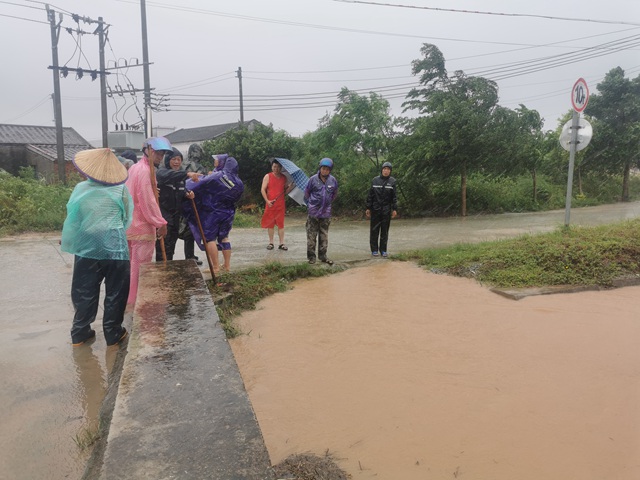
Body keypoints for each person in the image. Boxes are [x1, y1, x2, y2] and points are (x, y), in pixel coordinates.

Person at [61, 148, 132, 347]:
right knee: (116, 291)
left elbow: (73, 219)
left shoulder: (80, 189)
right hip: (114, 247)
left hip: (87, 247)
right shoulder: (121, 190)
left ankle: (80, 333)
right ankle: (113, 333)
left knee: (85, 290)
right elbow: (126, 218)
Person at [125, 137, 172, 306]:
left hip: (131, 225)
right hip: (142, 227)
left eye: (162, 153)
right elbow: (146, 200)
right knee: (140, 269)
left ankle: (129, 300)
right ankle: (136, 302)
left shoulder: (135, 168)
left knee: (132, 267)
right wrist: (160, 222)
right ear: (148, 151)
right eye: (157, 152)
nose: (160, 156)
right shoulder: (145, 171)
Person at [183, 154, 244, 274]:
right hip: (228, 212)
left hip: (213, 212)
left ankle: (215, 266)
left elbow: (200, 183)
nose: (215, 161)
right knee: (224, 237)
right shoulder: (238, 182)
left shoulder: (218, 175)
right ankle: (226, 266)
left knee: (209, 238)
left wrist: (184, 185)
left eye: (217, 159)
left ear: (223, 162)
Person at [155, 147, 202, 261]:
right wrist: (188, 174)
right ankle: (162, 274)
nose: (176, 162)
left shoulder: (180, 178)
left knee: (171, 248)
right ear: (167, 160)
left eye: (179, 159)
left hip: (176, 218)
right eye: (173, 159)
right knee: (163, 250)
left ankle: (169, 272)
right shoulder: (162, 172)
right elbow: (170, 176)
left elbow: (181, 191)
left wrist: (187, 194)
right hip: (164, 218)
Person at [304, 157, 338, 265]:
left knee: (324, 236)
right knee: (311, 236)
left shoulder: (333, 180)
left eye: (327, 169)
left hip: (325, 213)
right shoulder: (312, 179)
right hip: (313, 213)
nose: (325, 171)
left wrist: (327, 203)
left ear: (330, 170)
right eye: (323, 168)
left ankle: (323, 256)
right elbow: (307, 193)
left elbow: (334, 194)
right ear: (320, 168)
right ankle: (311, 257)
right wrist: (311, 204)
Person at [180, 144, 208, 263]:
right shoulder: (199, 167)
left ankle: (189, 255)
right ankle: (189, 256)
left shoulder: (182, 165)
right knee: (189, 230)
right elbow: (202, 185)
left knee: (180, 226)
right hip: (192, 200)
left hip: (180, 199)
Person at [366, 161, 398, 258]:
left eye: (388, 169)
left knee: (385, 231)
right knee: (374, 230)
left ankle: (383, 250)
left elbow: (394, 197)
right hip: (375, 209)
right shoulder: (375, 180)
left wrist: (394, 209)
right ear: (382, 170)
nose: (386, 171)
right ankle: (374, 250)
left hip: (386, 210)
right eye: (384, 169)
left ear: (390, 171)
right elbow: (370, 195)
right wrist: (368, 207)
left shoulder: (392, 182)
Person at [261, 158, 294, 250]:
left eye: (278, 167)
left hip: (280, 204)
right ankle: (271, 243)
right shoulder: (267, 176)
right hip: (270, 204)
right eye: (274, 167)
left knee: (281, 224)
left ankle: (281, 243)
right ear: (272, 167)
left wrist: (290, 187)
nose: (276, 169)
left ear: (281, 168)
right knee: (270, 224)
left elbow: (285, 192)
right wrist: (267, 201)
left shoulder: (284, 178)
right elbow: (263, 189)